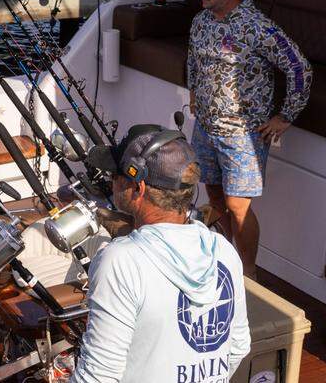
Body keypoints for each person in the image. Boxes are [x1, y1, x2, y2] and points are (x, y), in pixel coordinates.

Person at [75, 125, 250, 383]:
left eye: (115, 175)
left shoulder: (121, 261)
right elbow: (238, 347)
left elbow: (98, 377)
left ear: (138, 188)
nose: (111, 181)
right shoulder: (223, 250)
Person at [186, 0, 310, 276]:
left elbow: (300, 68)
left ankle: (248, 272)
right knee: (213, 194)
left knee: (238, 206)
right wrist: (193, 93)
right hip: (206, 125)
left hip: (243, 131)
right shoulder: (201, 21)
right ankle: (229, 256)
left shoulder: (258, 26)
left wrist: (286, 116)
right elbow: (193, 59)